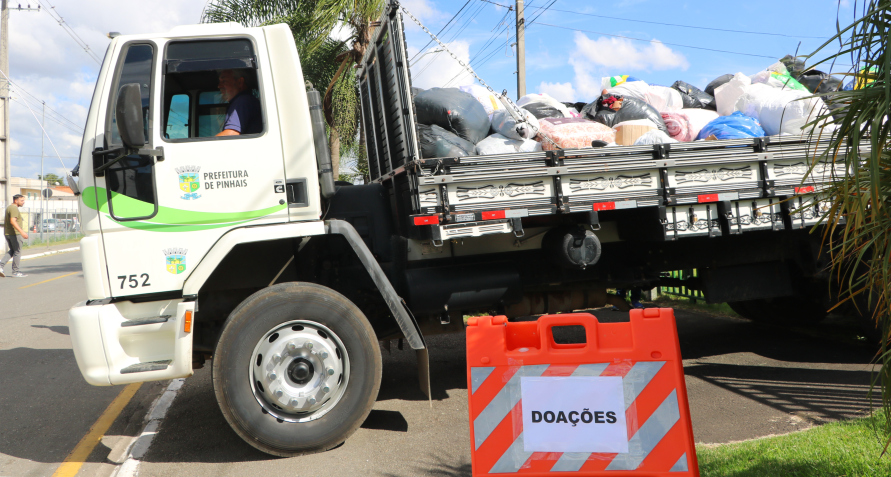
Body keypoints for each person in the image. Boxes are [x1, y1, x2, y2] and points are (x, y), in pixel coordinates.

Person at [216, 69, 262, 136]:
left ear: (240, 82)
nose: (219, 86)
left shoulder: (243, 101)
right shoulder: (246, 100)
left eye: (224, 81)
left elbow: (231, 134)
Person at [1, 194, 29, 278]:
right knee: (17, 251)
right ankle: (15, 272)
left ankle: (0, 265)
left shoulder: (10, 207)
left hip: (8, 233)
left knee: (13, 251)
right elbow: (13, 221)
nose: (23, 202)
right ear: (16, 201)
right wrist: (22, 232)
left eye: (23, 200)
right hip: (15, 234)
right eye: (21, 200)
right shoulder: (14, 208)